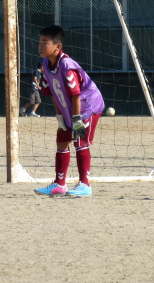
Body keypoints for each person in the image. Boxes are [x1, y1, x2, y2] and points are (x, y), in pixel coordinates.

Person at [34, 25, 104, 197]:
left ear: (57, 46)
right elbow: (53, 93)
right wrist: (60, 118)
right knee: (62, 140)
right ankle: (59, 184)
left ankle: (85, 185)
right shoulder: (46, 64)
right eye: (40, 42)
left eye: (45, 43)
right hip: (69, 108)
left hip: (87, 107)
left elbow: (76, 94)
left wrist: (77, 119)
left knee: (80, 141)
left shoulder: (67, 65)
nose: (40, 46)